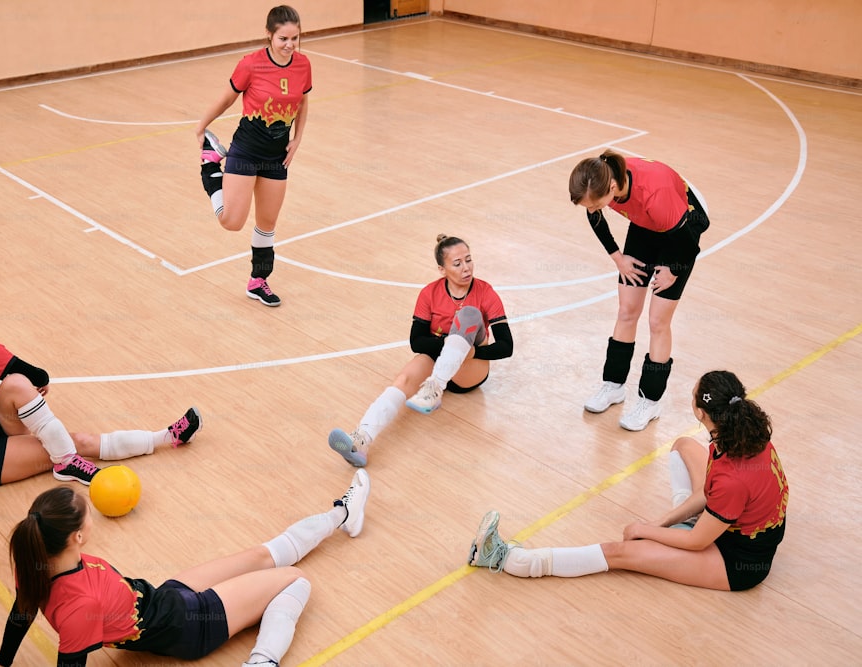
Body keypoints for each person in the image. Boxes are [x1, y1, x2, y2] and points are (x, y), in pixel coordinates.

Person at [0, 469, 370, 667]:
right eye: (87, 515)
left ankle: (343, 513)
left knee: (262, 555)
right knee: (296, 581)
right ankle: (262, 661)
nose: (92, 518)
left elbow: (22, 610)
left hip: (163, 598)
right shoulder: (81, 606)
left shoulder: (35, 564)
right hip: (188, 625)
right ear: (76, 537)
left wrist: (1, 661)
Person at [468, 370, 788, 592]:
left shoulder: (732, 478)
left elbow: (698, 542)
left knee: (622, 552)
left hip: (737, 560)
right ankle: (685, 523)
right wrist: (662, 522)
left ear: (702, 413)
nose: (689, 396)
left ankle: (511, 560)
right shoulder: (746, 434)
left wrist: (645, 530)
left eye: (693, 395)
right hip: (728, 517)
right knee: (684, 446)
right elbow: (710, 492)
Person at [0, 277, 202, 486]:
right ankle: (159, 439)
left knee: (14, 383)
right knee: (76, 440)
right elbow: (41, 376)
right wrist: (37, 388)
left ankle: (73, 457)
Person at [329, 234, 513, 467]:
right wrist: (450, 344)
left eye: (468, 260)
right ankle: (361, 440)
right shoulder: (429, 293)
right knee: (404, 378)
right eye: (457, 264)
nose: (466, 268)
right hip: (440, 359)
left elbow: (507, 347)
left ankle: (434, 388)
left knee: (468, 314)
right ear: (442, 269)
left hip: (470, 366)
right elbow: (417, 342)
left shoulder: (485, 292)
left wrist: (471, 352)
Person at [569, 149, 710, 430]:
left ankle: (650, 401)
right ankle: (613, 385)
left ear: (612, 188)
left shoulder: (654, 195)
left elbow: (689, 242)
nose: (593, 209)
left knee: (658, 321)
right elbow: (594, 214)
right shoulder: (600, 181)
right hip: (646, 225)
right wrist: (617, 257)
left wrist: (673, 269)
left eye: (597, 204)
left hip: (681, 232)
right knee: (626, 310)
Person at [194, 5, 312, 307]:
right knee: (232, 222)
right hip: (246, 149)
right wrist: (201, 126)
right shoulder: (251, 64)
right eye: (283, 38)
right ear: (269, 35)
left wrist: (297, 139)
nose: (289, 45)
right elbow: (227, 98)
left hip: (277, 156)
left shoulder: (303, 65)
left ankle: (258, 281)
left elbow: (302, 103)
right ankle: (210, 166)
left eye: (294, 39)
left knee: (267, 225)